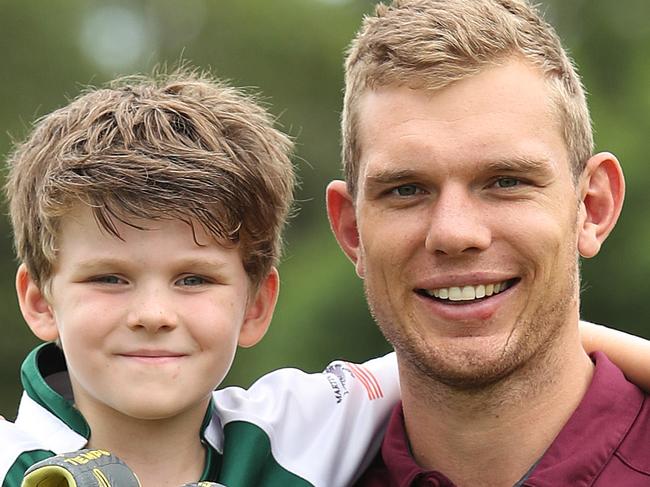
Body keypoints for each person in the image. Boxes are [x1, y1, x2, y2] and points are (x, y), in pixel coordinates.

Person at [0, 69, 401, 487]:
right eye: (110, 278)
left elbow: (440, 354)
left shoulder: (310, 429)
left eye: (193, 280)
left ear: (256, 306)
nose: (153, 315)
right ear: (39, 301)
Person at [326, 0, 650, 485]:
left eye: (506, 181)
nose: (455, 233)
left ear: (593, 208)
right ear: (352, 231)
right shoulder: (279, 467)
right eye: (407, 190)